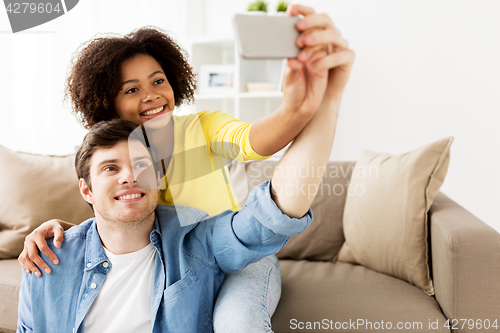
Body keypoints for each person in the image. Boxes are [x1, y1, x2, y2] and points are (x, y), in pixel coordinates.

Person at [17, 4, 354, 331]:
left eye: (158, 81)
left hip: (235, 252)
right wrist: (58, 231)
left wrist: (296, 109)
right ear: (109, 102)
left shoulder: (201, 129)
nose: (151, 95)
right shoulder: (115, 155)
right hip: (180, 266)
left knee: (236, 322)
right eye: (132, 89)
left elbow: (256, 140)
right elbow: (115, 224)